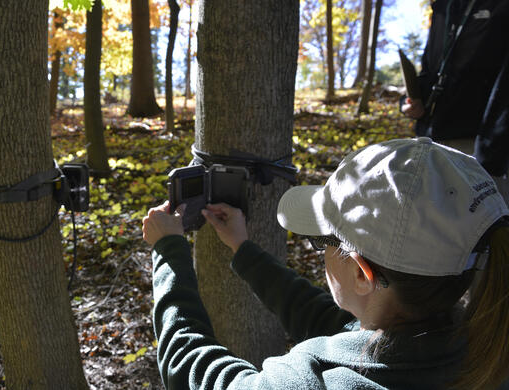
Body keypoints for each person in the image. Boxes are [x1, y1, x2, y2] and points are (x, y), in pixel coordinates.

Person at [142, 138, 509, 389]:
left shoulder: (313, 380)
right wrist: (242, 248)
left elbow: (192, 370)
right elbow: (336, 325)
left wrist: (169, 251)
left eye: (322, 241)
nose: (318, 249)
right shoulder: (481, 349)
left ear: (362, 274)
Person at [401, 0, 509, 204]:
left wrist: (491, 155)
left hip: (480, 148)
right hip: (431, 142)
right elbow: (429, 72)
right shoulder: (443, 8)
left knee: (486, 229)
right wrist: (409, 103)